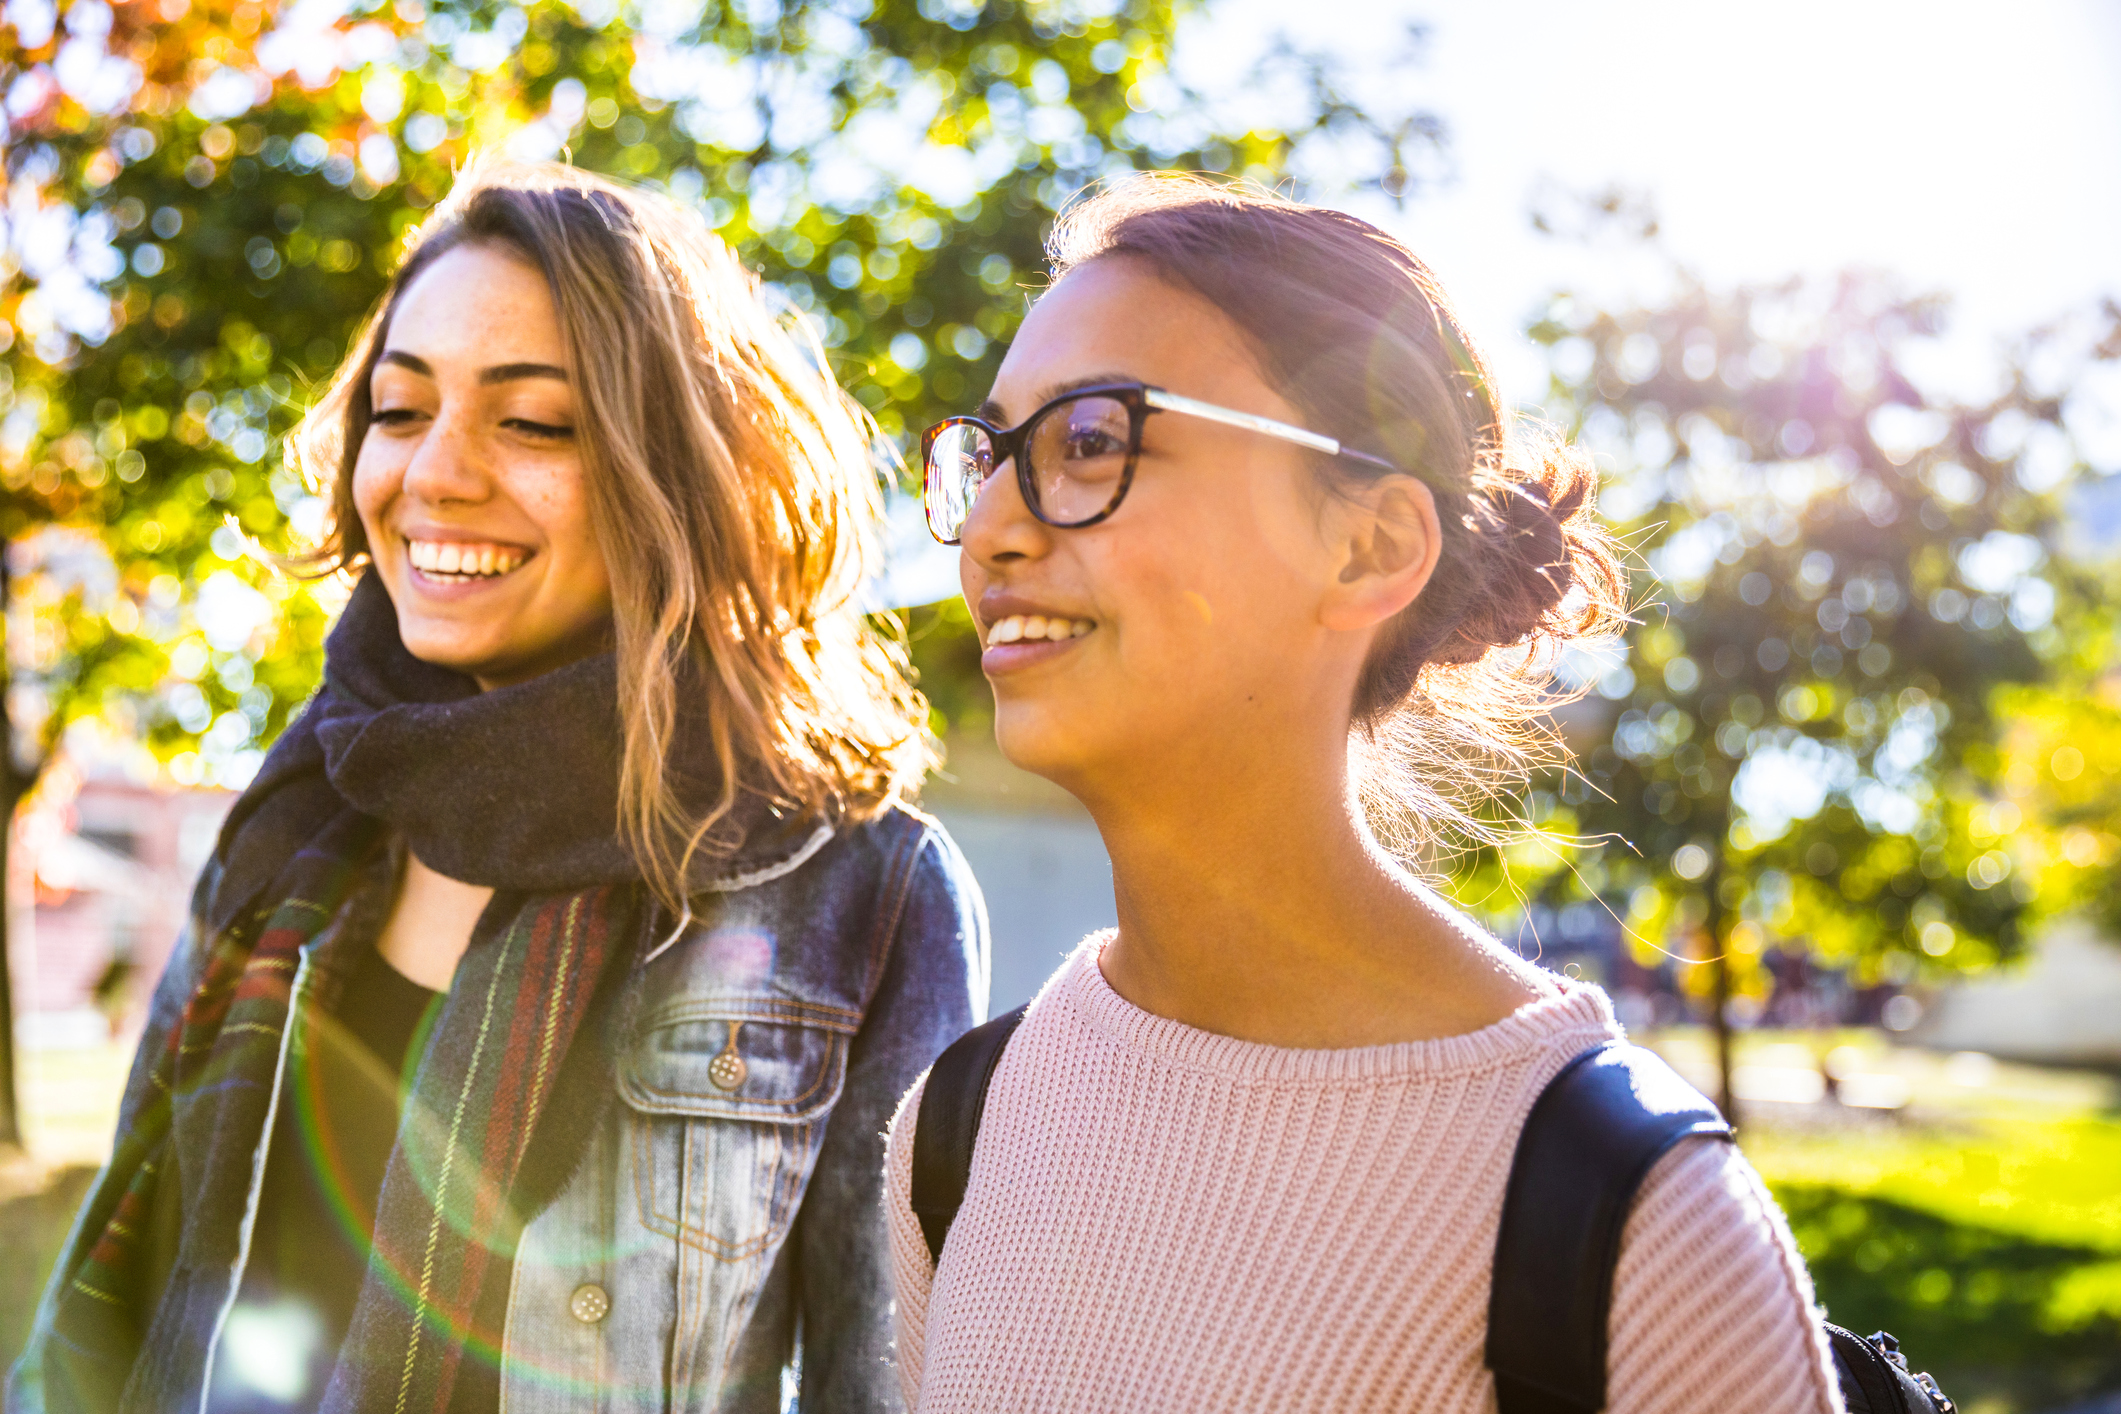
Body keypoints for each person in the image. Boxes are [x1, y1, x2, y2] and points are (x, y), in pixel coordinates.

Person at [13, 160, 985, 1414]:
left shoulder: (857, 889)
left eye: (532, 422)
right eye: (400, 410)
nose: (435, 475)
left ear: (676, 469)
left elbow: (886, 1380)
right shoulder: (305, 805)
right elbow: (112, 1303)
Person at [883, 174, 1842, 1413]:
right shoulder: (958, 1133)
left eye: (1088, 442)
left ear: (1371, 546)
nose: (990, 534)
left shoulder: (1631, 1220)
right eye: (991, 453)